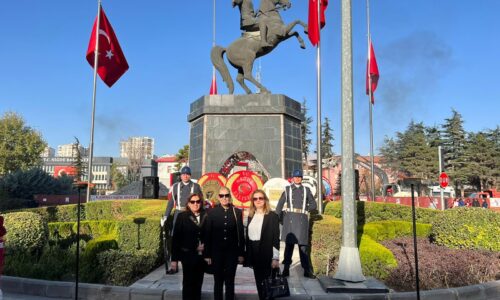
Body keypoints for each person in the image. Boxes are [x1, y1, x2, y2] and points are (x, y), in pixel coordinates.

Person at [204, 187, 245, 300]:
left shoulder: (237, 212)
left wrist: (241, 253)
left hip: (232, 253)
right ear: (218, 197)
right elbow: (208, 234)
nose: (224, 198)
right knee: (218, 282)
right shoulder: (212, 212)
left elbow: (240, 234)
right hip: (216, 253)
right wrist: (207, 254)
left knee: (230, 281)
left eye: (226, 195)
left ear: (230, 196)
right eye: (222, 196)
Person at [275, 169, 317, 278]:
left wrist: (305, 208)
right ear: (292, 178)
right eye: (296, 177)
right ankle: (286, 270)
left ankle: (306, 271)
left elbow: (314, 205)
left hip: (302, 220)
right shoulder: (287, 189)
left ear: (301, 178)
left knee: (303, 248)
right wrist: (279, 219)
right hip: (290, 221)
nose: (297, 178)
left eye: (299, 177)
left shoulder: (307, 190)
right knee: (289, 248)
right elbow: (279, 206)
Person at [163, 166, 203, 274]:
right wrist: (166, 216)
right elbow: (171, 202)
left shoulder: (196, 186)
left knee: (192, 237)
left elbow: (200, 202)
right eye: (183, 174)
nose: (185, 176)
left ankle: (194, 261)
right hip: (178, 213)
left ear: (190, 175)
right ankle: (174, 265)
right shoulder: (175, 186)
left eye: (187, 174)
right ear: (180, 176)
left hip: (191, 214)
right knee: (175, 239)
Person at [170, 193, 207, 300]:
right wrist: (174, 260)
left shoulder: (206, 215)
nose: (195, 204)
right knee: (188, 284)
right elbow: (176, 239)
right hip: (187, 256)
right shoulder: (182, 216)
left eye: (198, 201)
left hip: (201, 257)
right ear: (188, 204)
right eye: (193, 202)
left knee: (198, 284)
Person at [246, 189, 280, 300]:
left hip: (267, 254)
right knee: (259, 284)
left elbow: (276, 238)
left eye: (261, 198)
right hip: (254, 253)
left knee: (268, 285)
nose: (258, 200)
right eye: (255, 198)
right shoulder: (251, 215)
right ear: (252, 201)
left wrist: (275, 258)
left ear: (265, 200)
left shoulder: (272, 216)